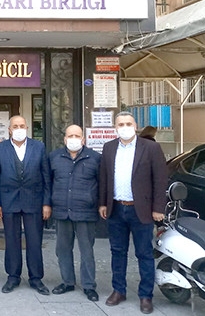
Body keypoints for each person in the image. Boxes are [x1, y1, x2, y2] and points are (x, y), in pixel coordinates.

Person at [99, 111, 167, 314]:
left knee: (144, 253)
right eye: (121, 124)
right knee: (117, 252)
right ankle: (118, 290)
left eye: (128, 123)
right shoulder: (109, 147)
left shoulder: (151, 147)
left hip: (142, 210)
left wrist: (158, 208)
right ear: (115, 127)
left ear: (135, 126)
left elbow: (160, 179)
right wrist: (103, 203)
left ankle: (146, 296)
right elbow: (104, 177)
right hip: (116, 208)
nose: (125, 127)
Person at [0, 115, 51, 295]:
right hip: (8, 200)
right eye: (15, 126)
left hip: (34, 200)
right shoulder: (0, 148)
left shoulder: (39, 147)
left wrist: (46, 203)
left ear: (27, 128)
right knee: (11, 240)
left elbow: (46, 177)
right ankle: (13, 276)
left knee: (34, 241)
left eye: (22, 126)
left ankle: (36, 278)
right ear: (9, 129)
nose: (19, 129)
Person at [48, 124, 101, 301]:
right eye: (70, 136)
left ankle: (89, 285)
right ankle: (67, 281)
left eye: (77, 136)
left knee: (87, 251)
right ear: (64, 139)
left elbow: (102, 184)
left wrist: (100, 204)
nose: (73, 139)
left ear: (83, 139)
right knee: (62, 249)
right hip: (62, 210)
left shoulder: (94, 158)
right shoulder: (54, 157)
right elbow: (48, 183)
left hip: (85, 211)